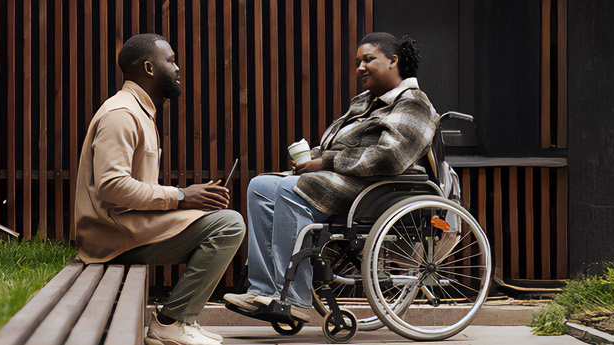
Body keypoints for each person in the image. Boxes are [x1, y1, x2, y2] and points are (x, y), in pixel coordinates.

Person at [223, 32, 437, 322]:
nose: (360, 67)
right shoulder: (366, 101)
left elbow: (390, 156)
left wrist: (327, 161)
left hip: (376, 188)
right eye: (358, 61)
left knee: (291, 188)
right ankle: (264, 289)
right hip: (347, 179)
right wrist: (314, 156)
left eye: (368, 59)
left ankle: (294, 298)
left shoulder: (413, 103)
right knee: (260, 186)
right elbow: (338, 145)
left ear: (394, 60)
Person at [72, 33, 242, 345]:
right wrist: (179, 196)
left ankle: (182, 319)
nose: (177, 69)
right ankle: (171, 322)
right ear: (149, 68)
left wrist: (189, 200)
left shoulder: (139, 110)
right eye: (172, 60)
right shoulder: (122, 114)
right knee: (229, 225)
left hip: (127, 227)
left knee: (214, 217)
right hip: (113, 236)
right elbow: (112, 187)